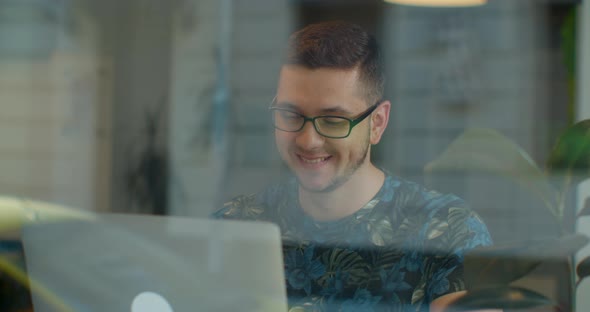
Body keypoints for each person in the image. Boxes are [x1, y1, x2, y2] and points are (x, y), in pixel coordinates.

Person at [214, 21, 492, 312]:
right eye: (290, 114)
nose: (308, 141)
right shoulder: (235, 227)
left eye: (333, 120)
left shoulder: (448, 230)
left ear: (377, 123)